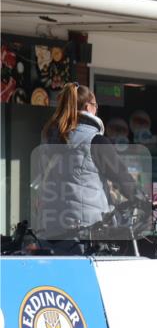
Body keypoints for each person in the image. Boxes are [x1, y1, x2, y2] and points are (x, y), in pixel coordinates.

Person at [33, 82, 139, 253]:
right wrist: (141, 198)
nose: (97, 109)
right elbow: (122, 179)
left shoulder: (48, 142)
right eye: (96, 105)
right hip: (84, 234)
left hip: (49, 232)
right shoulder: (95, 141)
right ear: (88, 107)